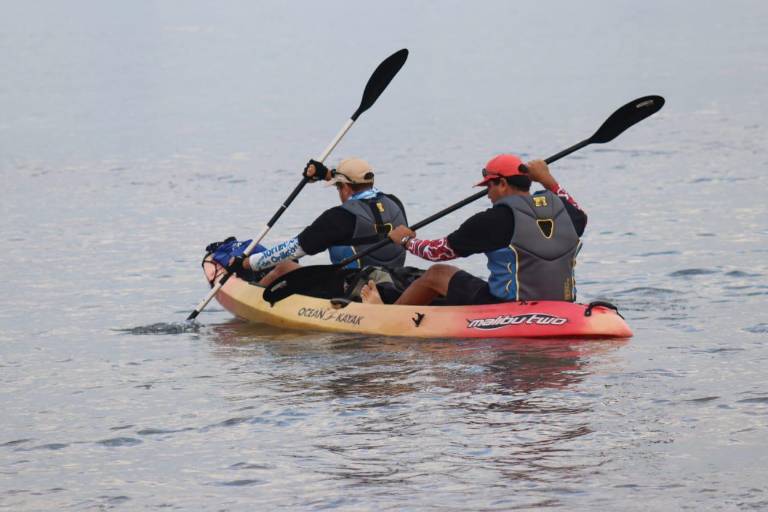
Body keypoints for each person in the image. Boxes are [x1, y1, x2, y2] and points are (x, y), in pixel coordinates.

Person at [360, 154, 587, 305]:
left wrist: (406, 241)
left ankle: (386, 315)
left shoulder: (495, 218)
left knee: (438, 274)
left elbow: (439, 252)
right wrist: (548, 180)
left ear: (503, 184)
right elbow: (580, 213)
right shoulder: (563, 209)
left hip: (508, 307)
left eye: (489, 186)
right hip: (562, 304)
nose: (487, 194)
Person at [231, 157, 408, 286]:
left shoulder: (340, 217)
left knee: (285, 266)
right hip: (392, 282)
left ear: (344, 187)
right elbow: (352, 183)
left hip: (353, 288)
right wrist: (324, 174)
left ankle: (254, 297)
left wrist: (247, 263)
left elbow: (293, 249)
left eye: (338, 187)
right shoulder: (395, 203)